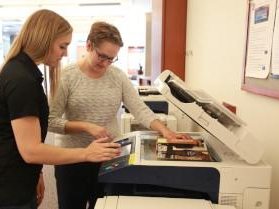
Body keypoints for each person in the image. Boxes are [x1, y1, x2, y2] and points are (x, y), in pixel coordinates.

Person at [0, 10, 120, 209]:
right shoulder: (22, 80)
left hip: (14, 184)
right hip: (0, 192)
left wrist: (36, 173)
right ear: (43, 40)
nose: (65, 53)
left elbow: (24, 139)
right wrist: (86, 154)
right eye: (62, 46)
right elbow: (31, 150)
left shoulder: (21, 71)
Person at [48, 21, 190, 209]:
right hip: (73, 159)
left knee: (106, 205)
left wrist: (165, 131)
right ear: (89, 45)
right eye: (102, 56)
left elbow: (139, 109)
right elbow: (51, 121)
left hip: (109, 157)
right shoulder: (66, 76)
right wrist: (86, 126)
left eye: (111, 58)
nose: (106, 63)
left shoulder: (117, 76)